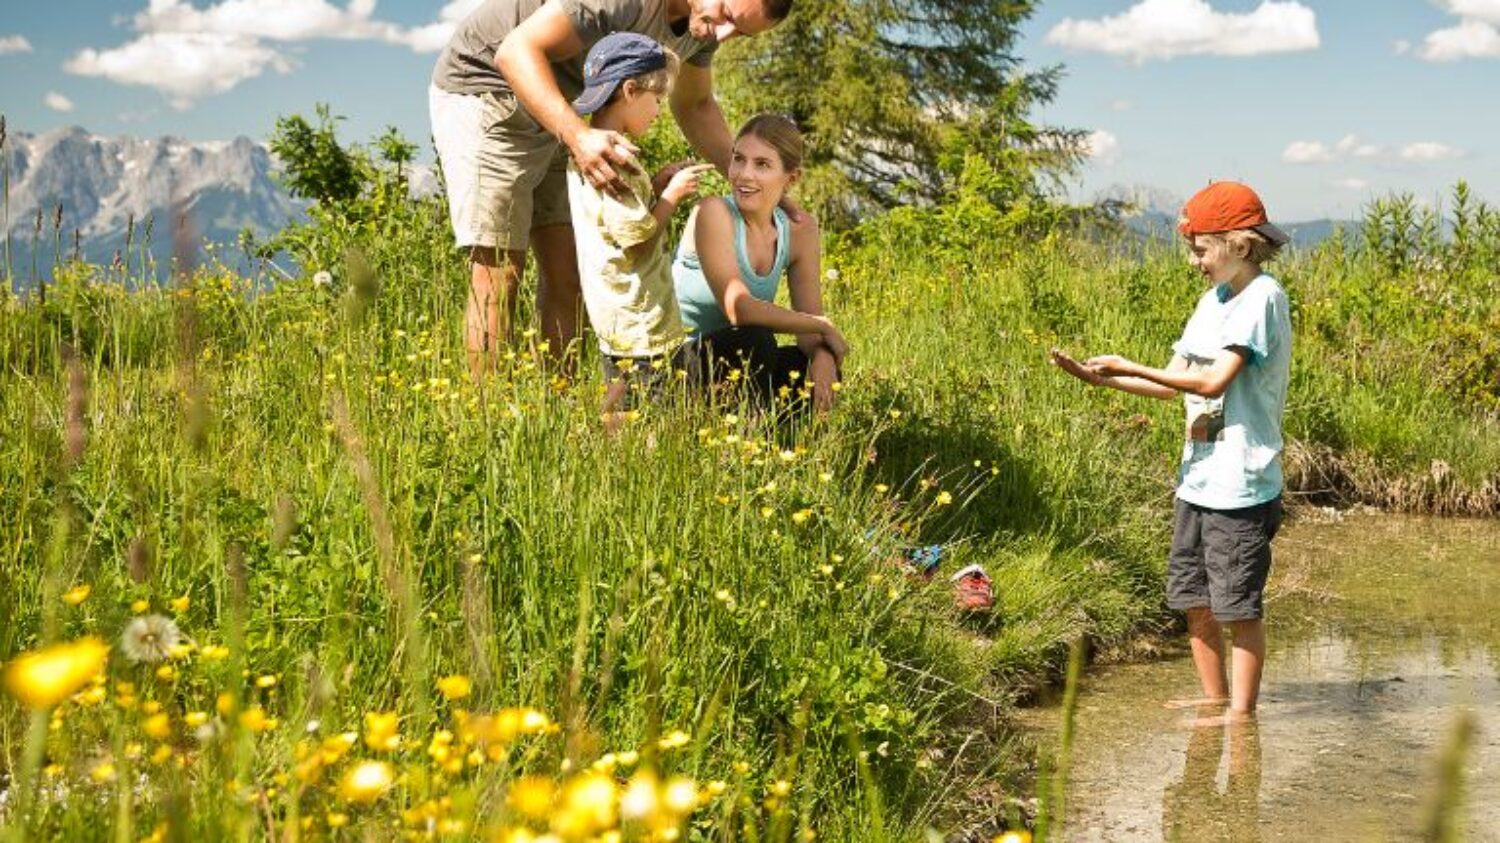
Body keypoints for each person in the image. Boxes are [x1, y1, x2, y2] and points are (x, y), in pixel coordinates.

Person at [428, 0, 792, 377]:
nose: (724, 35)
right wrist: (577, 135)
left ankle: (556, 410)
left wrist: (765, 189)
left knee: (570, 270)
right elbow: (515, 51)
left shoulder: (706, 25)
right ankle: (488, 418)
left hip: (563, 108)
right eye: (730, 18)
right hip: (490, 88)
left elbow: (697, 106)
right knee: (500, 269)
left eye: (741, 33)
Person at [1050, 181, 1292, 722]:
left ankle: (1242, 715)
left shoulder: (1263, 298)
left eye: (1201, 248)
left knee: (1237, 606)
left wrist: (1129, 364)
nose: (1194, 261)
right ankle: (1214, 698)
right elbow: (1172, 384)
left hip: (1242, 483)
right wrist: (1101, 380)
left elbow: (1212, 384)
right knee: (1194, 597)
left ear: (1241, 244)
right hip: (1199, 480)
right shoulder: (1212, 302)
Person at [565, 33, 714, 425]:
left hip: (616, 320)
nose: (660, 110)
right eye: (657, 100)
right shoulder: (617, 164)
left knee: (620, 412)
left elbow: (616, 225)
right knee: (653, 422)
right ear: (630, 90)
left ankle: (602, 473)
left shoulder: (590, 156)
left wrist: (658, 187)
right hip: (641, 324)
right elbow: (636, 239)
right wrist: (673, 198)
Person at [672, 114, 845, 413]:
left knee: (804, 366)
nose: (744, 175)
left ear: (791, 178)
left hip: (738, 367)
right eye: (738, 159)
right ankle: (738, 446)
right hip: (678, 366)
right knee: (756, 341)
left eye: (762, 164)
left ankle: (788, 450)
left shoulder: (800, 231)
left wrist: (823, 356)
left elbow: (809, 329)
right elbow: (738, 308)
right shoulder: (712, 212)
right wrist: (821, 326)